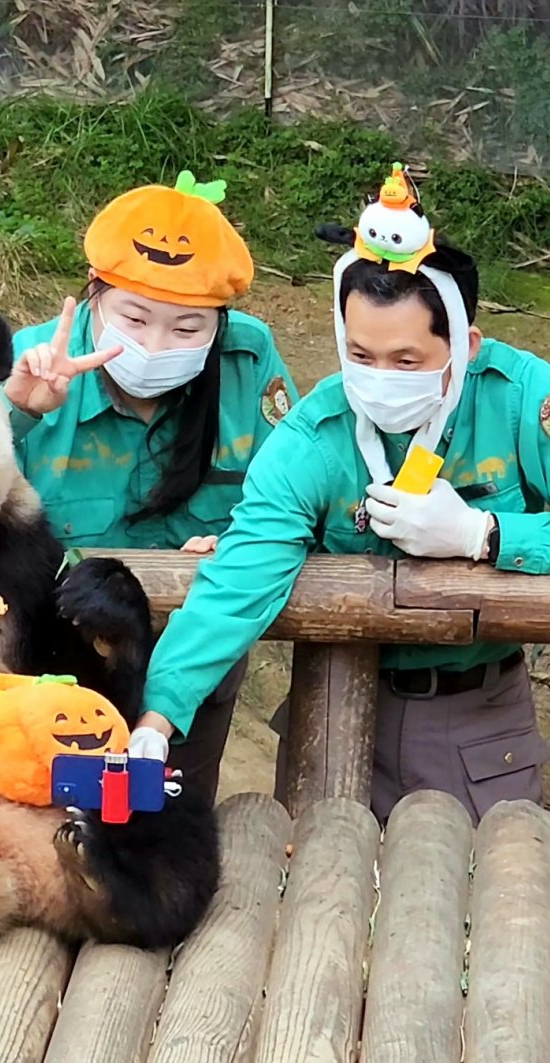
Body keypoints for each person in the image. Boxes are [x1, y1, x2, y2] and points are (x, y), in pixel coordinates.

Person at [131, 161, 550, 827]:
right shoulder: (314, 438)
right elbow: (239, 581)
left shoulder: (524, 399)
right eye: (360, 354)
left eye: (407, 361)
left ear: (464, 345)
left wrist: (486, 534)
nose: (380, 378)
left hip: (478, 721)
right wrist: (158, 713)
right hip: (333, 706)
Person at [0, 169, 300, 803]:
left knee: (169, 814)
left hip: (197, 641)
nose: (155, 345)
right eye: (133, 318)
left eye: (187, 330)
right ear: (93, 296)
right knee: (44, 815)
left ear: (221, 323)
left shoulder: (250, 364)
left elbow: (294, 492)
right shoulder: (31, 362)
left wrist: (237, 539)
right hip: (56, 654)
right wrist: (18, 410)